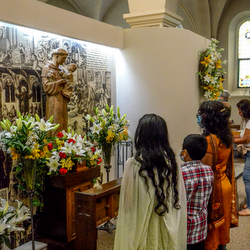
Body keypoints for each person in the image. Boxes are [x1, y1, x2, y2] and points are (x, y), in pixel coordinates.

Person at [114, 114, 187, 250]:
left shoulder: (134, 164)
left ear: (141, 136)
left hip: (141, 225)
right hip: (166, 220)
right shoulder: (172, 162)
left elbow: (128, 203)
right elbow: (178, 199)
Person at [197, 101, 238, 250]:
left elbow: (206, 170)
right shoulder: (226, 137)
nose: (199, 117)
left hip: (214, 188)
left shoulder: (208, 141)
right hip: (224, 184)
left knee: (213, 228)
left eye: (201, 114)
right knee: (222, 226)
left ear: (209, 118)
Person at [180, 134, 214, 250]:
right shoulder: (209, 171)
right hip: (200, 227)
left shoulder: (181, 173)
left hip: (184, 229)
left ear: (184, 152)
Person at [41, 48, 69, 134]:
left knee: (63, 121)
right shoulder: (47, 68)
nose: (64, 61)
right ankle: (54, 144)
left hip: (62, 99)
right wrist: (59, 82)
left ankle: (63, 143)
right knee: (55, 121)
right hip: (53, 99)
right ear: (56, 57)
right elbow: (46, 87)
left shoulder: (62, 70)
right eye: (63, 58)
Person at [234, 99, 250, 215]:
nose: (239, 113)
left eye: (240, 111)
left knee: (247, 178)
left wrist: (231, 140)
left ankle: (249, 207)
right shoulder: (246, 121)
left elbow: (246, 139)